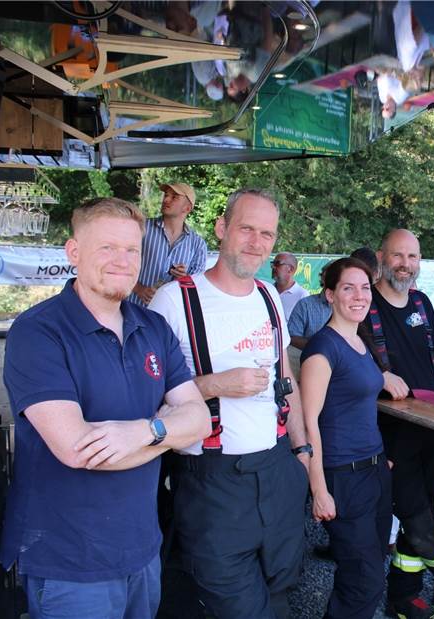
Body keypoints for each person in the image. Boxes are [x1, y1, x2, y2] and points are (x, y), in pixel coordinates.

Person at [0, 197, 210, 619]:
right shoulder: (38, 331)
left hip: (141, 550)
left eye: (132, 250)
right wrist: (171, 431)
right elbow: (80, 450)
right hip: (69, 562)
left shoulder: (152, 325)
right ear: (73, 252)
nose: (123, 261)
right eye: (107, 248)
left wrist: (143, 432)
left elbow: (200, 418)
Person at [148, 189, 310, 619]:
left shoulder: (268, 296)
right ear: (221, 229)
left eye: (267, 234)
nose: (256, 242)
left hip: (278, 472)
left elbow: (286, 380)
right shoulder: (175, 299)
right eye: (246, 229)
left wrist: (303, 455)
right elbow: (151, 397)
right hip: (212, 480)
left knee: (281, 590)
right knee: (234, 604)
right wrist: (215, 385)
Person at [363, 228, 434, 618]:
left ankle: (402, 596)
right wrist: (379, 378)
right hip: (387, 431)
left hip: (428, 427)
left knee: (424, 508)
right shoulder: (364, 302)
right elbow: (343, 361)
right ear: (381, 257)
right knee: (414, 514)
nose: (406, 264)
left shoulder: (422, 302)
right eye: (398, 256)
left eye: (412, 257)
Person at [301, 257, 393, 619]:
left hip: (373, 471)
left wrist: (379, 457)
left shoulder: (360, 342)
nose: (359, 295)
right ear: (329, 295)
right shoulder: (322, 350)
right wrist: (319, 489)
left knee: (366, 572)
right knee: (364, 580)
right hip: (341, 475)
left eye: (365, 287)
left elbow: (362, 406)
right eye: (348, 288)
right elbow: (309, 423)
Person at [130, 182, 208, 306]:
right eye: (166, 195)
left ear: (187, 208)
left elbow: (196, 288)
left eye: (174, 197)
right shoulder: (141, 228)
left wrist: (183, 278)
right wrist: (138, 289)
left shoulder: (198, 245)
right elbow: (118, 262)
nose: (166, 199)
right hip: (132, 309)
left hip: (167, 316)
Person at [288, 265, 333, 350]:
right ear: (323, 278)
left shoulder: (351, 306)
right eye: (333, 276)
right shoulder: (305, 304)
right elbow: (292, 338)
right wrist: (320, 347)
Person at [272, 251, 310, 319]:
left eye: (277, 264)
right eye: (273, 263)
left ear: (290, 269)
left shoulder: (302, 296)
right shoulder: (268, 291)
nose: (273, 267)